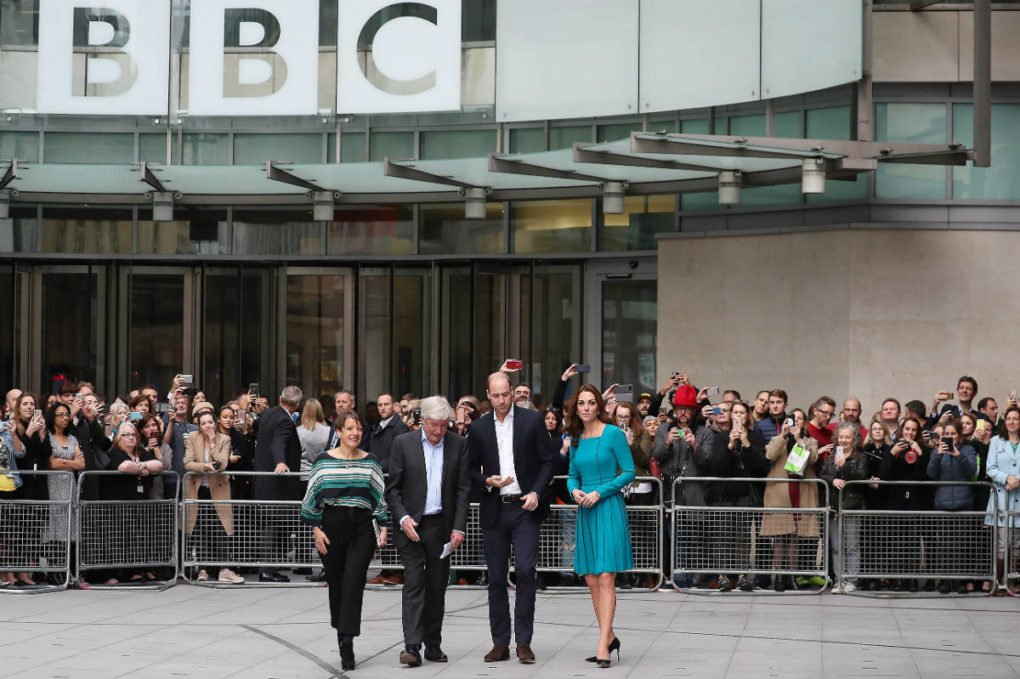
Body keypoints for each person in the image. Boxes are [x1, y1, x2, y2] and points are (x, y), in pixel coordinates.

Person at [467, 373, 556, 664]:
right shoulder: (479, 428)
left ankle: (524, 642)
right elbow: (468, 471)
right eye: (496, 396)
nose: (502, 400)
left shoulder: (531, 421)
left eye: (506, 394)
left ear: (512, 393)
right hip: (495, 507)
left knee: (526, 570)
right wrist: (487, 480)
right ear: (488, 395)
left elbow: (548, 462)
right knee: (494, 577)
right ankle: (500, 642)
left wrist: (536, 493)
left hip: (524, 507)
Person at [386, 396, 469, 667]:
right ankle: (412, 646)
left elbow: (462, 490)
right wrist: (402, 518)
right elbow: (393, 489)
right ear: (423, 422)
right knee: (413, 583)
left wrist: (458, 527)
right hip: (411, 525)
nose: (439, 431)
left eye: (444, 426)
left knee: (436, 587)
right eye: (434, 425)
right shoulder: (403, 444)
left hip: (441, 526)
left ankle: (433, 643)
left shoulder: (458, 444)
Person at [301, 411, 389, 671]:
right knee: (337, 583)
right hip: (331, 525)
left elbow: (379, 496)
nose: (354, 433)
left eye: (358, 428)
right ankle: (341, 631)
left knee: (354, 580)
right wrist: (316, 530)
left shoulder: (370, 461)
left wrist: (383, 525)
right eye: (349, 428)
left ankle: (348, 639)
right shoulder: (323, 461)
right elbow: (311, 498)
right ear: (338, 432)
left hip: (361, 526)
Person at [560, 384, 634, 668]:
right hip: (585, 510)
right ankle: (611, 635)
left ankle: (603, 645)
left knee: (605, 576)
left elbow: (627, 472)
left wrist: (600, 492)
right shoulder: (577, 438)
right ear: (576, 408)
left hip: (608, 506)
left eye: (591, 402)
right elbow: (572, 475)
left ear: (599, 405)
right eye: (582, 403)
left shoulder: (613, 434)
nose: (587, 407)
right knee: (591, 578)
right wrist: (574, 490)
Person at [701, 400, 767, 592]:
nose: (738, 416)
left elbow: (759, 464)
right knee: (722, 534)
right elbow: (716, 466)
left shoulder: (755, 436)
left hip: (745, 492)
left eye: (742, 413)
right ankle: (722, 575)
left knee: (742, 535)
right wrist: (730, 445)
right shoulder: (721, 437)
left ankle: (741, 574)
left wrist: (746, 444)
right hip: (723, 493)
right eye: (735, 413)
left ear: (748, 416)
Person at [761, 410, 821, 592]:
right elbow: (770, 455)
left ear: (804, 423)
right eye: (792, 419)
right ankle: (778, 576)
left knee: (795, 538)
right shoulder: (778, 440)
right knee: (780, 536)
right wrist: (783, 435)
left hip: (800, 494)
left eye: (800, 419)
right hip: (781, 495)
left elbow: (813, 459)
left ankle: (792, 576)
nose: (796, 422)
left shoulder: (810, 442)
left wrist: (799, 441)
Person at [184, 410, 244, 585]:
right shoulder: (193, 438)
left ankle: (224, 569)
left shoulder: (224, 439)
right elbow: (188, 463)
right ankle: (203, 569)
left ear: (215, 423)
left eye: (210, 422)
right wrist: (204, 466)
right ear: (199, 425)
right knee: (201, 529)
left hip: (218, 490)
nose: (208, 426)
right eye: (203, 423)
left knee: (221, 528)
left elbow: (222, 464)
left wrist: (212, 444)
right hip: (198, 490)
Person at [101, 422, 164, 584]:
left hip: (140, 503)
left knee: (139, 536)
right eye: (126, 435)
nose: (130, 438)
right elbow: (124, 467)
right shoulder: (115, 453)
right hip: (119, 502)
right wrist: (142, 469)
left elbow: (159, 465)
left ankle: (136, 570)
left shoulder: (141, 452)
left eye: (133, 435)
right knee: (120, 537)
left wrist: (141, 465)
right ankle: (118, 572)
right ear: (118, 438)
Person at [253, 385, 304, 583]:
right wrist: (281, 461)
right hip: (276, 486)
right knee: (273, 527)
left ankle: (270, 568)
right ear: (297, 404)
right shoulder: (284, 419)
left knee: (271, 526)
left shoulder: (268, 414)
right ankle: (267, 570)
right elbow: (278, 442)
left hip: (265, 483)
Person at [878, 416, 931, 592]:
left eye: (913, 430)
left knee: (913, 543)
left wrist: (921, 453)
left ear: (918, 433)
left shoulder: (923, 450)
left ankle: (912, 579)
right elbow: (884, 475)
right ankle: (896, 579)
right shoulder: (892, 449)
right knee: (896, 542)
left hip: (916, 502)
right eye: (907, 429)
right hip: (895, 502)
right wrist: (892, 453)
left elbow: (926, 475)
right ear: (902, 430)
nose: (910, 432)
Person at [925, 418, 977, 594]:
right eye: (946, 434)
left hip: (963, 502)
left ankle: (960, 581)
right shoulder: (937, 451)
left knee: (962, 544)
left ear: (959, 435)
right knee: (944, 545)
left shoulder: (968, 449)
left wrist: (957, 454)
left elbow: (972, 472)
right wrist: (938, 454)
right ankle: (945, 580)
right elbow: (931, 473)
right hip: (942, 502)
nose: (949, 437)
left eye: (952, 434)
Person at [819, 422, 871, 593]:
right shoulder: (833, 454)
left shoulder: (861, 456)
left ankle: (852, 580)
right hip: (834, 506)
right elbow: (823, 473)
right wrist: (832, 479)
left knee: (852, 546)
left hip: (852, 505)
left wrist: (844, 466)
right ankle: (839, 579)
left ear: (854, 439)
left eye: (847, 437)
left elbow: (861, 476)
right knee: (836, 546)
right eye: (841, 437)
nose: (843, 440)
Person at [42, 402, 84, 582]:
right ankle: (54, 569)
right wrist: (70, 463)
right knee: (55, 526)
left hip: (70, 486)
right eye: (61, 414)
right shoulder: (48, 438)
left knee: (70, 526)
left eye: (67, 414)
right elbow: (51, 463)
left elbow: (82, 464)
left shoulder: (72, 439)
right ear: (52, 417)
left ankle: (68, 569)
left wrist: (63, 462)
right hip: (53, 485)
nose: (66, 417)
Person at [984, 406, 1020, 595]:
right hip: (1001, 497)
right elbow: (990, 468)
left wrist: (1017, 480)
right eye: (1009, 418)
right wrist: (1007, 478)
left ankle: (1011, 582)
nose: (1012, 422)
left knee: (1016, 545)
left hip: (1019, 499)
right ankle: (998, 581)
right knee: (1002, 544)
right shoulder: (997, 441)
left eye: (1016, 418)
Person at [0, 412, 27, 587]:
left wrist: (13, 434)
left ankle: (7, 573)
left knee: (7, 534)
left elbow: (21, 453)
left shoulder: (5, 430)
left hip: (11, 485)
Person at [367, 392, 409, 473]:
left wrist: (375, 467)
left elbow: (399, 457)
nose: (383, 408)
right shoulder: (375, 427)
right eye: (380, 405)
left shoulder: (401, 427)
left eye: (386, 404)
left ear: (393, 406)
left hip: (391, 479)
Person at [298, 398, 331, 478]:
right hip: (321, 474)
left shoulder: (298, 431)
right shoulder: (329, 430)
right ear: (320, 411)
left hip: (302, 475)